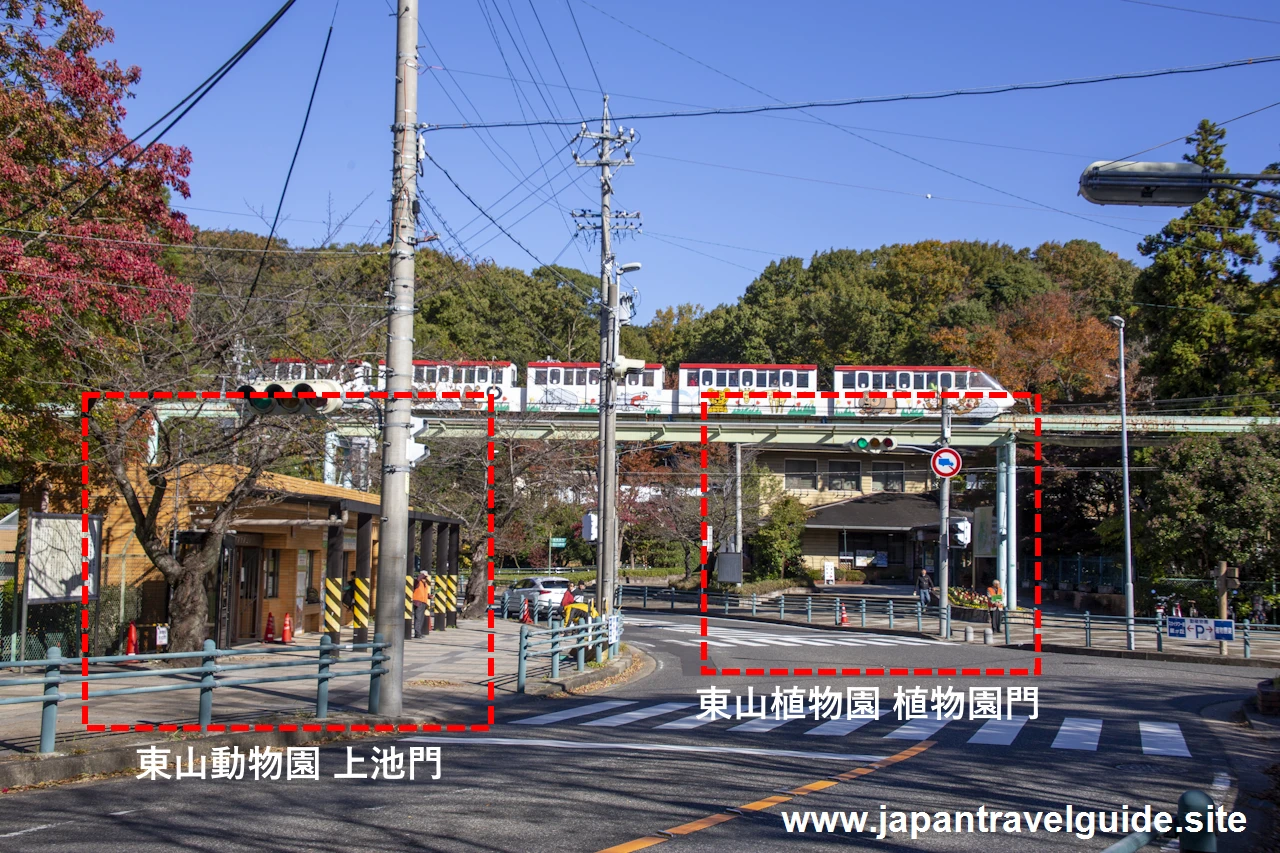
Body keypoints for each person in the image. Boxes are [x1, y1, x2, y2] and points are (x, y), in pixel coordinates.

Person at [412, 572, 430, 638]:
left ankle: (419, 632)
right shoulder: (418, 582)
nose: (426, 578)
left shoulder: (425, 584)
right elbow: (417, 580)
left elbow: (424, 593)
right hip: (418, 602)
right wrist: (422, 575)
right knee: (418, 618)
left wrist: (429, 596)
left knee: (421, 618)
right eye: (425, 577)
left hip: (423, 602)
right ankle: (417, 633)